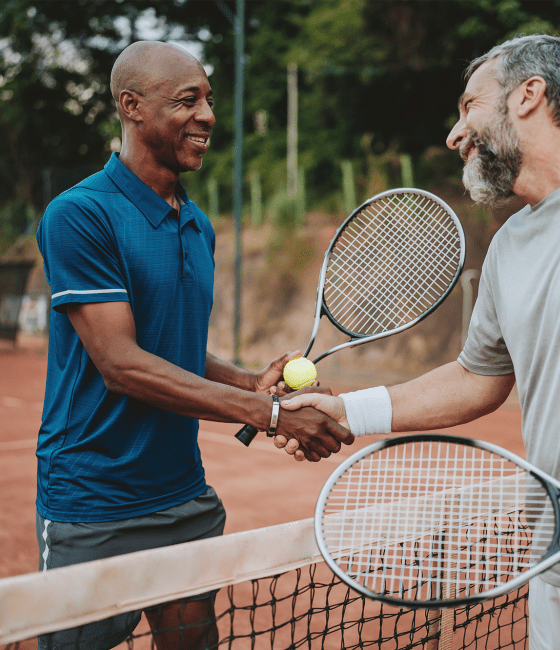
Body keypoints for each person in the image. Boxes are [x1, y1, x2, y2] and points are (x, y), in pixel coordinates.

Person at [275, 34, 560, 650]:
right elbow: (478, 379)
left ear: (529, 95)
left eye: (468, 105)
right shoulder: (509, 247)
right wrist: (348, 411)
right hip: (556, 569)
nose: (455, 134)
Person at [35, 40, 353, 650]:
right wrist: (272, 413)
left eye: (208, 98)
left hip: (184, 498)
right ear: (132, 107)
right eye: (188, 100)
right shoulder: (79, 215)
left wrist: (248, 382)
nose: (208, 114)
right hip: (93, 505)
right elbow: (122, 364)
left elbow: (170, 347)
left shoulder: (196, 223)